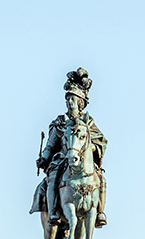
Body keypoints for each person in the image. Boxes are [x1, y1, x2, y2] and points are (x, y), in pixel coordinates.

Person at [31, 67, 107, 229]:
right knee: (52, 179)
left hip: (82, 160)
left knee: (101, 179)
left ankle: (100, 212)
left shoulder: (88, 123)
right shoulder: (60, 122)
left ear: (80, 103)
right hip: (63, 159)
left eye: (72, 99)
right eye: (67, 100)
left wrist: (92, 149)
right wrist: (44, 158)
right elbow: (51, 145)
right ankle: (53, 212)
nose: (69, 102)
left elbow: (101, 141)